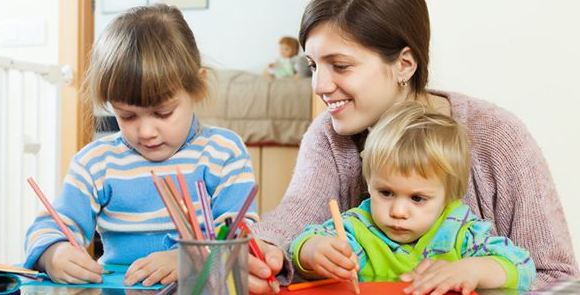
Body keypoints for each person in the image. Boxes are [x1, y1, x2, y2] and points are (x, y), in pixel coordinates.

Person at [248, 0, 578, 293]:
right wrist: (266, 250)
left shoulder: (498, 136)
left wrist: (476, 277)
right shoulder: (327, 136)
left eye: (341, 65)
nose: (319, 86)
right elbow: (292, 221)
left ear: (405, 64)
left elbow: (558, 278)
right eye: (313, 66)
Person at [24, 4, 258, 286]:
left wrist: (188, 260)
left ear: (198, 85)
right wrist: (54, 253)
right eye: (127, 115)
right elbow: (50, 226)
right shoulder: (96, 163)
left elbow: (242, 236)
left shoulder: (223, 152)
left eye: (163, 113)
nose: (146, 132)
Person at [290, 102, 536, 294]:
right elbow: (305, 241)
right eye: (385, 193)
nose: (398, 211)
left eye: (417, 198)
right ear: (370, 184)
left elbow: (523, 266)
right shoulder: (356, 229)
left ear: (448, 196)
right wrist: (312, 252)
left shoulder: (461, 232)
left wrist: (472, 270)